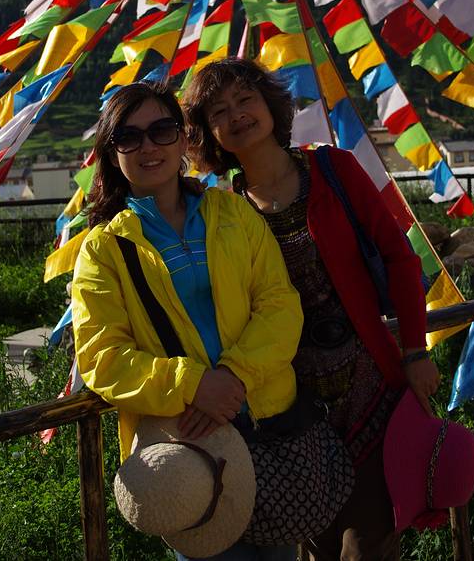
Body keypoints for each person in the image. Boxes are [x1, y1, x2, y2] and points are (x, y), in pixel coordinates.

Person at [183, 58, 441, 561]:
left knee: (369, 544)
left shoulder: (333, 169)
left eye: (245, 99)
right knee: (317, 544)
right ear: (208, 133)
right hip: (292, 407)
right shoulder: (222, 210)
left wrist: (415, 350)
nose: (237, 115)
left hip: (371, 387)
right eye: (219, 111)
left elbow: (400, 257)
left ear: (270, 105)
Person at [71, 80, 305, 561]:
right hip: (188, 446)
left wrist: (234, 376)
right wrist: (192, 385)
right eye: (129, 137)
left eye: (161, 130)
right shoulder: (103, 249)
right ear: (111, 153)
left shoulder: (233, 213)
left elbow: (280, 303)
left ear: (182, 139)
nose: (148, 147)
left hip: (266, 425)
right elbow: (101, 357)